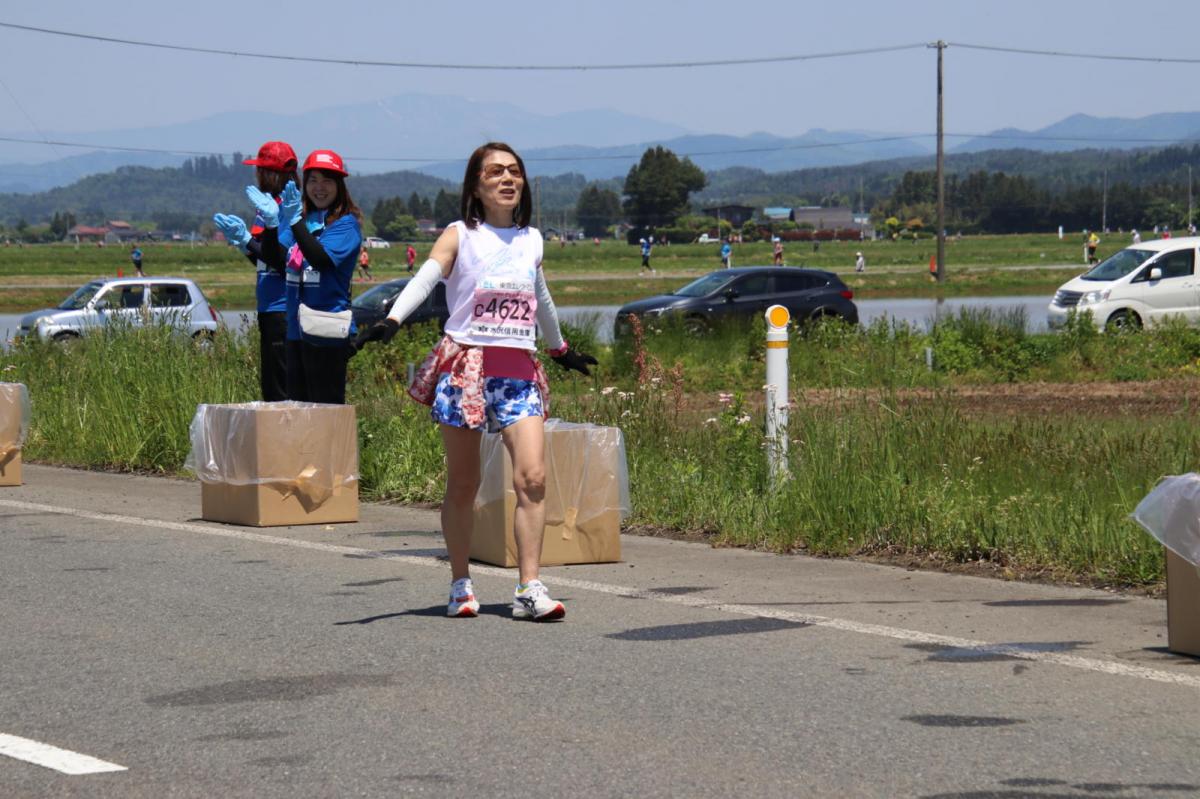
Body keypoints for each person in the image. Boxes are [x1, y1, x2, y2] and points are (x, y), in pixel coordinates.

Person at [355, 142, 597, 622]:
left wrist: (560, 348)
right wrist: (394, 319)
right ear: (477, 185)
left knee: (533, 478)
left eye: (515, 172)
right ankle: (461, 583)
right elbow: (428, 276)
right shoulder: (459, 235)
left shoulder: (532, 240)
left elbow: (539, 295)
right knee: (464, 482)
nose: (507, 179)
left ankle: (529, 588)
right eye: (495, 172)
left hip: (518, 370)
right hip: (465, 365)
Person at [253, 149, 362, 405]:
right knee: (296, 409)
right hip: (295, 329)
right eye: (313, 180)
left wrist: (294, 222)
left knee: (325, 410)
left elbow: (321, 259)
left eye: (327, 180)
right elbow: (276, 258)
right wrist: (270, 226)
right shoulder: (301, 219)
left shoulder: (346, 224)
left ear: (339, 185)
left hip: (327, 328)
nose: (319, 188)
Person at [212, 140, 300, 402]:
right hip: (268, 306)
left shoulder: (289, 208)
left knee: (281, 390)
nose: (257, 175)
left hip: (283, 308)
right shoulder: (266, 208)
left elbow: (283, 261)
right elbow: (263, 260)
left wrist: (248, 242)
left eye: (261, 170)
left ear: (274, 174)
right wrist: (245, 246)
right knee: (270, 388)